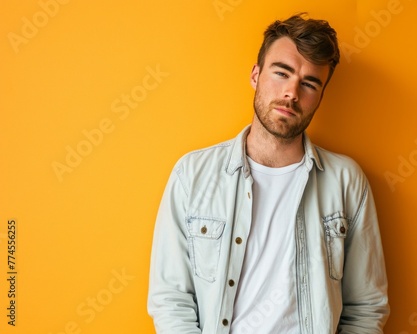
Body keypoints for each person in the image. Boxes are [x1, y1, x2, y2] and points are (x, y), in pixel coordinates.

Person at [147, 13, 390, 334]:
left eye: (309, 83)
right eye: (282, 73)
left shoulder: (346, 181)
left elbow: (366, 306)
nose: (292, 92)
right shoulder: (193, 174)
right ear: (256, 75)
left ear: (320, 97)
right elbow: (171, 298)